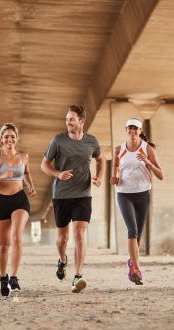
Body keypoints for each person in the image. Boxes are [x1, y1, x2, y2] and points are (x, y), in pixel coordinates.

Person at [41, 105, 105, 293]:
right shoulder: (58, 140)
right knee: (63, 238)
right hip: (61, 195)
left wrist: (99, 176)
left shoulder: (91, 141)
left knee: (79, 233)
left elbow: (100, 159)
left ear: (81, 121)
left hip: (83, 195)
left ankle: (78, 276)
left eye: (71, 119)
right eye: (67, 119)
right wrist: (57, 173)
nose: (68, 122)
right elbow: (44, 164)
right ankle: (62, 260)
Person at [0, 123, 36, 297]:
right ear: (1, 139)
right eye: (6, 136)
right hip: (1, 202)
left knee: (17, 238)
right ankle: (3, 277)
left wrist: (31, 186)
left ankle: (14, 277)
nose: (10, 139)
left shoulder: (24, 156)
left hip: (19, 199)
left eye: (12, 136)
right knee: (3, 246)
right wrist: (2, 176)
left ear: (16, 138)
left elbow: (27, 173)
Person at [110, 118, 163, 285]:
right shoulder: (119, 150)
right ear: (126, 130)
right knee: (132, 231)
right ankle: (136, 270)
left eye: (135, 128)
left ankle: (131, 262)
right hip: (124, 194)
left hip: (143, 194)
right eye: (130, 128)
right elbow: (116, 172)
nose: (132, 131)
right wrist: (115, 179)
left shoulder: (148, 149)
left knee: (138, 234)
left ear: (140, 131)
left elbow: (161, 175)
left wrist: (147, 162)